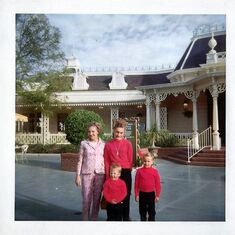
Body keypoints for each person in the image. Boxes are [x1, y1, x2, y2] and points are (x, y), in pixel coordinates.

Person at [75, 122, 105, 221]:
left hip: (100, 175)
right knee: (86, 200)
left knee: (96, 201)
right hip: (86, 174)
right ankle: (85, 222)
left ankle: (94, 222)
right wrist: (78, 176)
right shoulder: (84, 143)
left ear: (98, 132)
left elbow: (105, 160)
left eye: (93, 131)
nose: (91, 133)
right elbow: (80, 160)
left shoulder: (103, 144)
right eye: (89, 132)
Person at [104, 119, 133, 221]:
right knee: (112, 193)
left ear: (124, 133)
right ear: (113, 131)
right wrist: (108, 176)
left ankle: (125, 217)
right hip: (113, 173)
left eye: (121, 133)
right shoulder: (108, 145)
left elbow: (130, 159)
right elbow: (106, 161)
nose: (119, 134)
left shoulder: (128, 143)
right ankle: (112, 217)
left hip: (125, 172)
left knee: (126, 195)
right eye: (117, 132)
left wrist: (127, 171)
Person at [134, 153, 161, 221]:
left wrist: (157, 195)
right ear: (143, 161)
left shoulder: (155, 172)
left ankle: (151, 224)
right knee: (142, 211)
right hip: (142, 194)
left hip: (151, 194)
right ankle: (143, 223)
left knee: (151, 211)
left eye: (148, 161)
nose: (146, 163)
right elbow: (136, 184)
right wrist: (136, 194)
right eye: (145, 161)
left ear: (152, 161)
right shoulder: (139, 171)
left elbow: (158, 184)